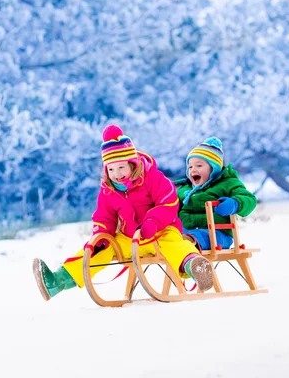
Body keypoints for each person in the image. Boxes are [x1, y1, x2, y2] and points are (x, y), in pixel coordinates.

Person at [33, 124, 214, 301]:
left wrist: (153, 222)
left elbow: (168, 202)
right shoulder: (108, 190)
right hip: (129, 238)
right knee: (99, 248)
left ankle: (195, 267)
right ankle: (58, 281)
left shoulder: (153, 178)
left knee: (176, 245)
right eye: (111, 169)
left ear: (132, 164)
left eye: (121, 168)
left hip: (161, 231)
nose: (117, 174)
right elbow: (104, 216)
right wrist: (101, 234)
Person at [176, 137, 257, 251]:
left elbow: (249, 199)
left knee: (203, 236)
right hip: (186, 231)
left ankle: (189, 242)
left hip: (218, 234)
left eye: (199, 166)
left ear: (213, 168)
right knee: (171, 236)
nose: (193, 170)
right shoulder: (184, 190)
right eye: (190, 167)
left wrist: (235, 203)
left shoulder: (228, 183)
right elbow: (170, 207)